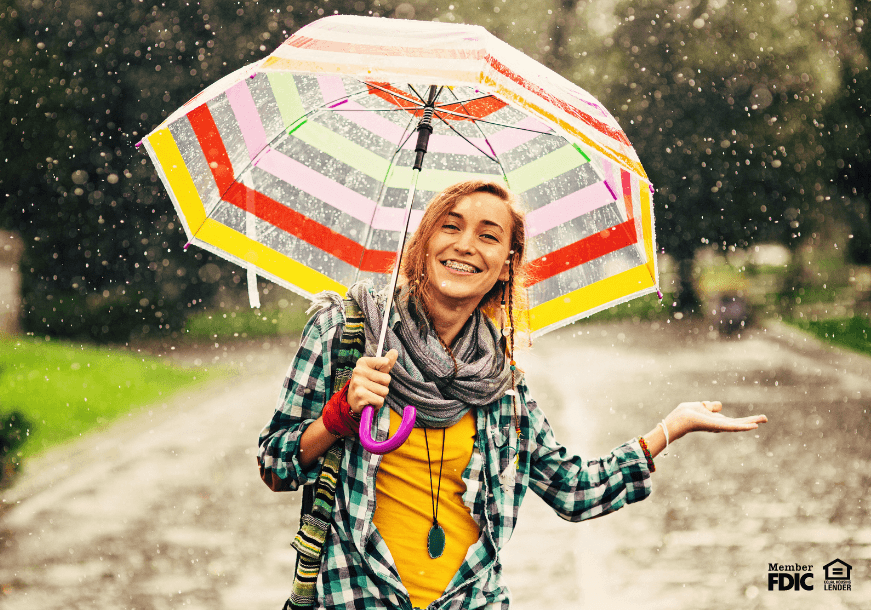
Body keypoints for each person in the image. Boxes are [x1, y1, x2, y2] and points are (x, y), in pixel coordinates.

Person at [258, 180, 768, 610]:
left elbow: (572, 490)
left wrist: (669, 429)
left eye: (488, 235)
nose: (464, 245)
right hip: (360, 597)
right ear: (423, 241)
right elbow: (275, 464)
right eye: (450, 225)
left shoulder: (503, 387)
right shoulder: (346, 335)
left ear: (506, 263)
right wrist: (337, 417)